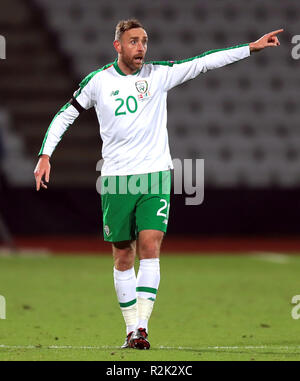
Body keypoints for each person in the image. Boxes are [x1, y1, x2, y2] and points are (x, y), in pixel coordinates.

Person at [34, 19, 283, 349]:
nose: (141, 47)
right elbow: (66, 114)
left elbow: (203, 61)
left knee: (150, 244)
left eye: (145, 41)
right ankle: (129, 328)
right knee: (123, 254)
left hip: (155, 175)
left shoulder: (159, 74)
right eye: (134, 41)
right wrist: (45, 155)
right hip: (116, 179)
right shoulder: (98, 82)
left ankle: (141, 329)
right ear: (118, 46)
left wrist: (250, 47)